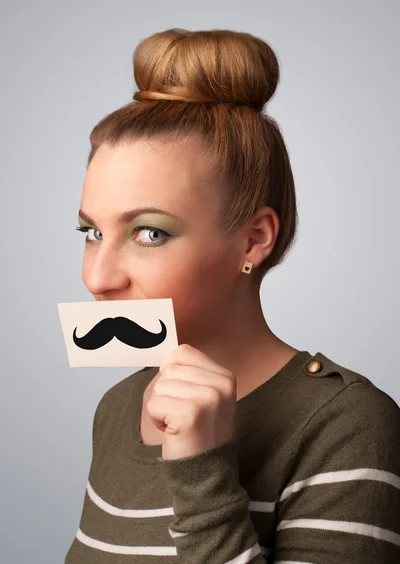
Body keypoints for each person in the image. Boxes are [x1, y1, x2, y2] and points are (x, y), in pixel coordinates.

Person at [65, 28, 400, 563]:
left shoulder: (346, 424)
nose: (98, 279)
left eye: (150, 232)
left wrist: (202, 472)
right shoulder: (118, 408)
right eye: (92, 233)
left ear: (254, 239)